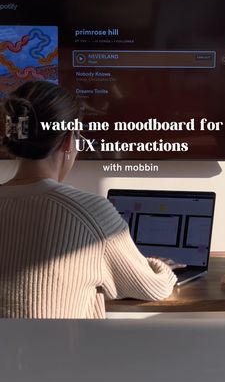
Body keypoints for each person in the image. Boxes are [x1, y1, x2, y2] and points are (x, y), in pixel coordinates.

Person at [0, 80, 178, 319]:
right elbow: (154, 288)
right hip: (56, 356)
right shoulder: (89, 212)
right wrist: (160, 266)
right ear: (67, 142)